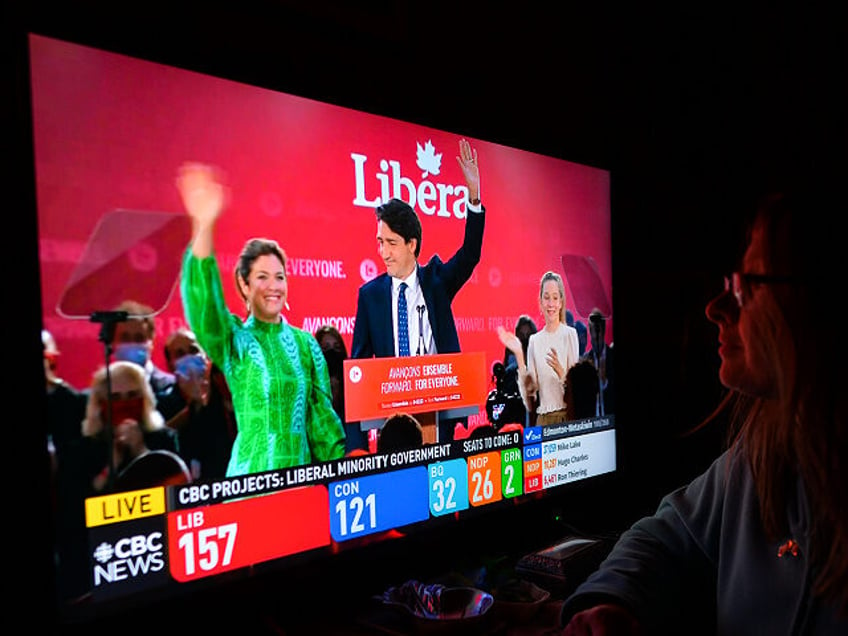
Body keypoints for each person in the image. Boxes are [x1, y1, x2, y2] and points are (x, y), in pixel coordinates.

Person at [561, 183, 848, 633]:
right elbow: (666, 534)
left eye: (745, 286)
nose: (715, 309)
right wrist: (612, 601)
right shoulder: (766, 446)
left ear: (812, 302)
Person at [176, 162, 345, 476]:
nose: (274, 287)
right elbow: (205, 309)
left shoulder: (306, 344)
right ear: (244, 283)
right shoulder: (235, 338)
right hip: (250, 484)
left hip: (301, 484)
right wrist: (203, 227)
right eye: (263, 277)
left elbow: (323, 423)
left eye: (279, 277)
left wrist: (344, 474)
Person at [351, 138, 484, 443]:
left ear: (412, 244)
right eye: (380, 242)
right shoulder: (369, 296)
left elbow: (470, 254)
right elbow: (357, 369)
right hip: (393, 426)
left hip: (439, 421)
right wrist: (357, 447)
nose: (383, 252)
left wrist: (474, 197)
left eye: (392, 243)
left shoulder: (437, 282)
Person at [81, 360, 185, 493]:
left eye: (132, 395)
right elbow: (79, 501)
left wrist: (141, 451)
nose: (124, 404)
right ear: (100, 404)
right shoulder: (85, 447)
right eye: (115, 397)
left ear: (145, 399)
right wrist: (111, 467)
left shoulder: (164, 438)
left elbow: (175, 491)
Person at [498, 271, 580, 426]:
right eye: (546, 297)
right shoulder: (534, 341)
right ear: (541, 302)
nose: (551, 304)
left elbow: (576, 392)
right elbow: (530, 400)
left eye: (555, 298)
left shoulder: (570, 335)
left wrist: (561, 371)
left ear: (561, 302)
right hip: (542, 421)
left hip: (567, 420)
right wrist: (519, 356)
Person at [159, 326, 237, 480]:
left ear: (204, 354)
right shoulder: (163, 402)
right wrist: (194, 406)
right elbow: (162, 440)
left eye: (193, 350)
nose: (189, 357)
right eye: (180, 354)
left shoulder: (223, 390)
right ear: (170, 365)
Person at [110, 299, 181, 420]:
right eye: (125, 337)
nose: (132, 343)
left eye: (139, 338)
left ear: (151, 343)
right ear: (112, 343)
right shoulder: (101, 391)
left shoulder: (173, 388)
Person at [314, 324, 354, 451]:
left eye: (336, 347)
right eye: (325, 348)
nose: (332, 353)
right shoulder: (311, 394)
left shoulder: (353, 396)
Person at [581, 308, 614, 417]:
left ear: (604, 328)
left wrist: (604, 382)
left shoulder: (613, 357)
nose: (596, 331)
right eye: (593, 328)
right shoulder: (584, 362)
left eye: (598, 326)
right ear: (589, 331)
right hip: (592, 424)